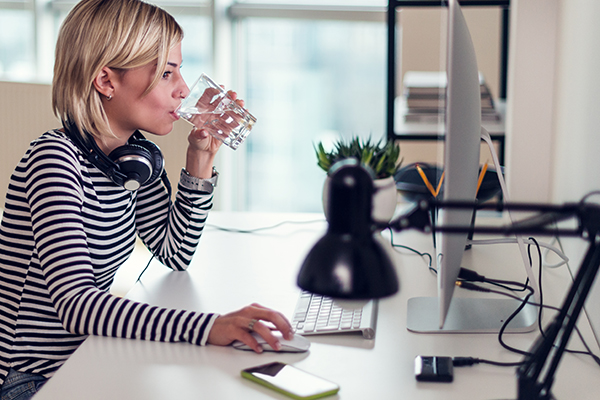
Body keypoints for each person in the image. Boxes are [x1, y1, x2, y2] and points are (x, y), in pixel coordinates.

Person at [0, 0, 293, 398]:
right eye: (167, 72)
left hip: (88, 356)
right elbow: (77, 306)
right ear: (106, 81)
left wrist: (200, 159)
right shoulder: (55, 162)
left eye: (180, 69)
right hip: (27, 377)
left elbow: (174, 253)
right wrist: (208, 328)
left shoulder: (134, 160)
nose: (184, 89)